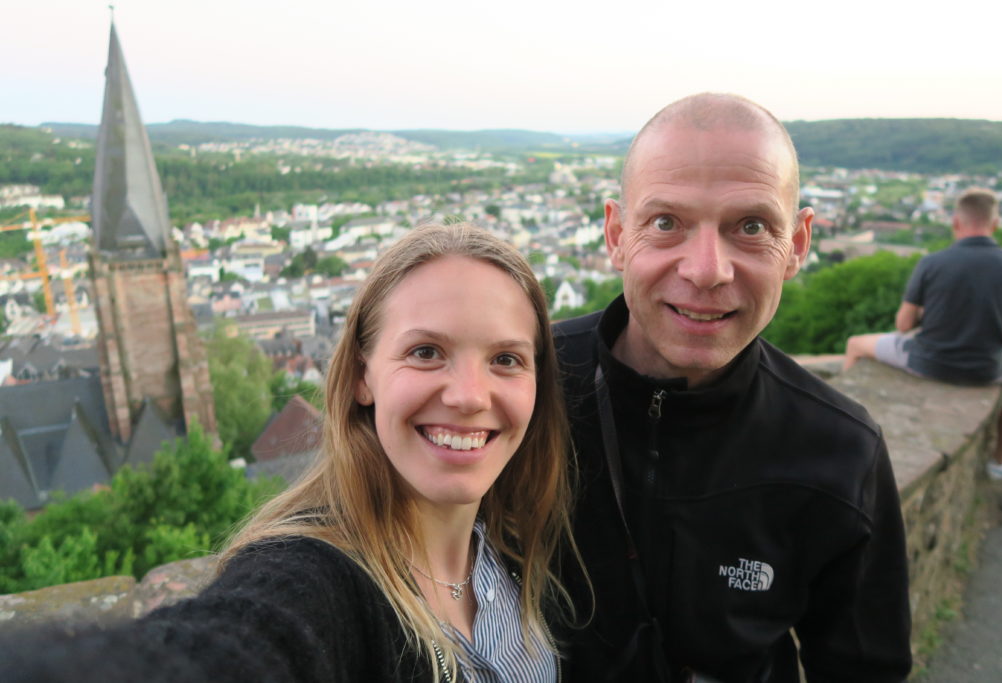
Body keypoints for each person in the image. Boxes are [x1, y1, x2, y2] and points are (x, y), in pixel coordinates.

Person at [0, 222, 578, 682]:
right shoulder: (318, 580)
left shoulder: (521, 546)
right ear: (362, 376)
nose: (470, 396)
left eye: (506, 359)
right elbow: (235, 646)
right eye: (426, 352)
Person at [553, 93, 912, 682]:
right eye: (666, 223)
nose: (706, 270)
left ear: (796, 245)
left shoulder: (840, 450)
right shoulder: (520, 390)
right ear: (617, 234)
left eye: (751, 227)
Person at [845, 188, 1002, 483]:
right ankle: (1001, 459)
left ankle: (844, 432)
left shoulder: (932, 262)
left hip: (927, 362)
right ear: (995, 224)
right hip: (987, 368)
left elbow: (903, 325)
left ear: (956, 222)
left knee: (855, 344)